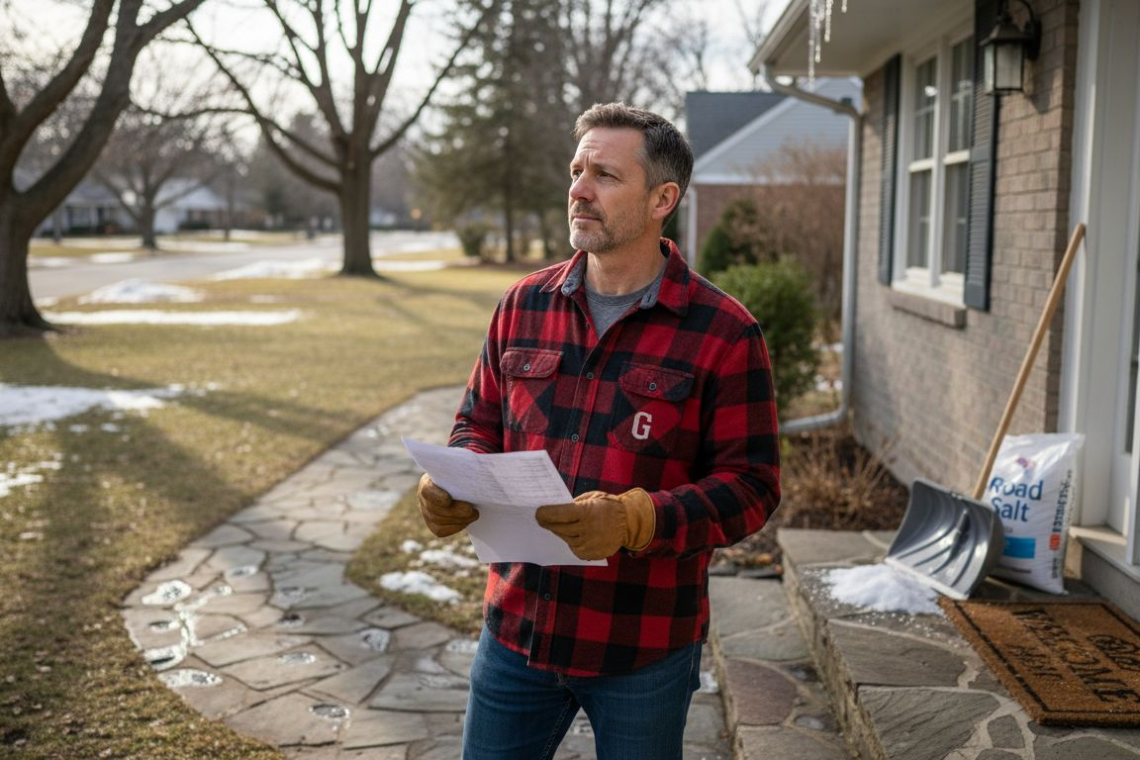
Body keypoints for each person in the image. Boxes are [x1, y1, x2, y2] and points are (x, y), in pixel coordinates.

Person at [417, 102, 781, 759]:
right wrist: (453, 476)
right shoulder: (522, 305)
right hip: (516, 631)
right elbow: (478, 420)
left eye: (606, 175)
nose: (579, 189)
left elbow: (752, 486)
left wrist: (639, 518)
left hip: (641, 648)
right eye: (576, 170)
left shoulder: (724, 333)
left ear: (661, 198)